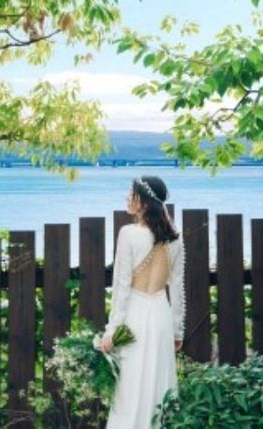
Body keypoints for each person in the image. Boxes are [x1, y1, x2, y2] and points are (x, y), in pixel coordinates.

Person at [101, 175, 185, 428]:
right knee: (159, 381)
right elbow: (177, 288)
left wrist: (112, 330)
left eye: (131, 193)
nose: (127, 198)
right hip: (160, 316)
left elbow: (122, 287)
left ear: (144, 201)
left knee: (129, 385)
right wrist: (177, 331)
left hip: (135, 317)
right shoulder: (176, 239)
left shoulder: (128, 234)